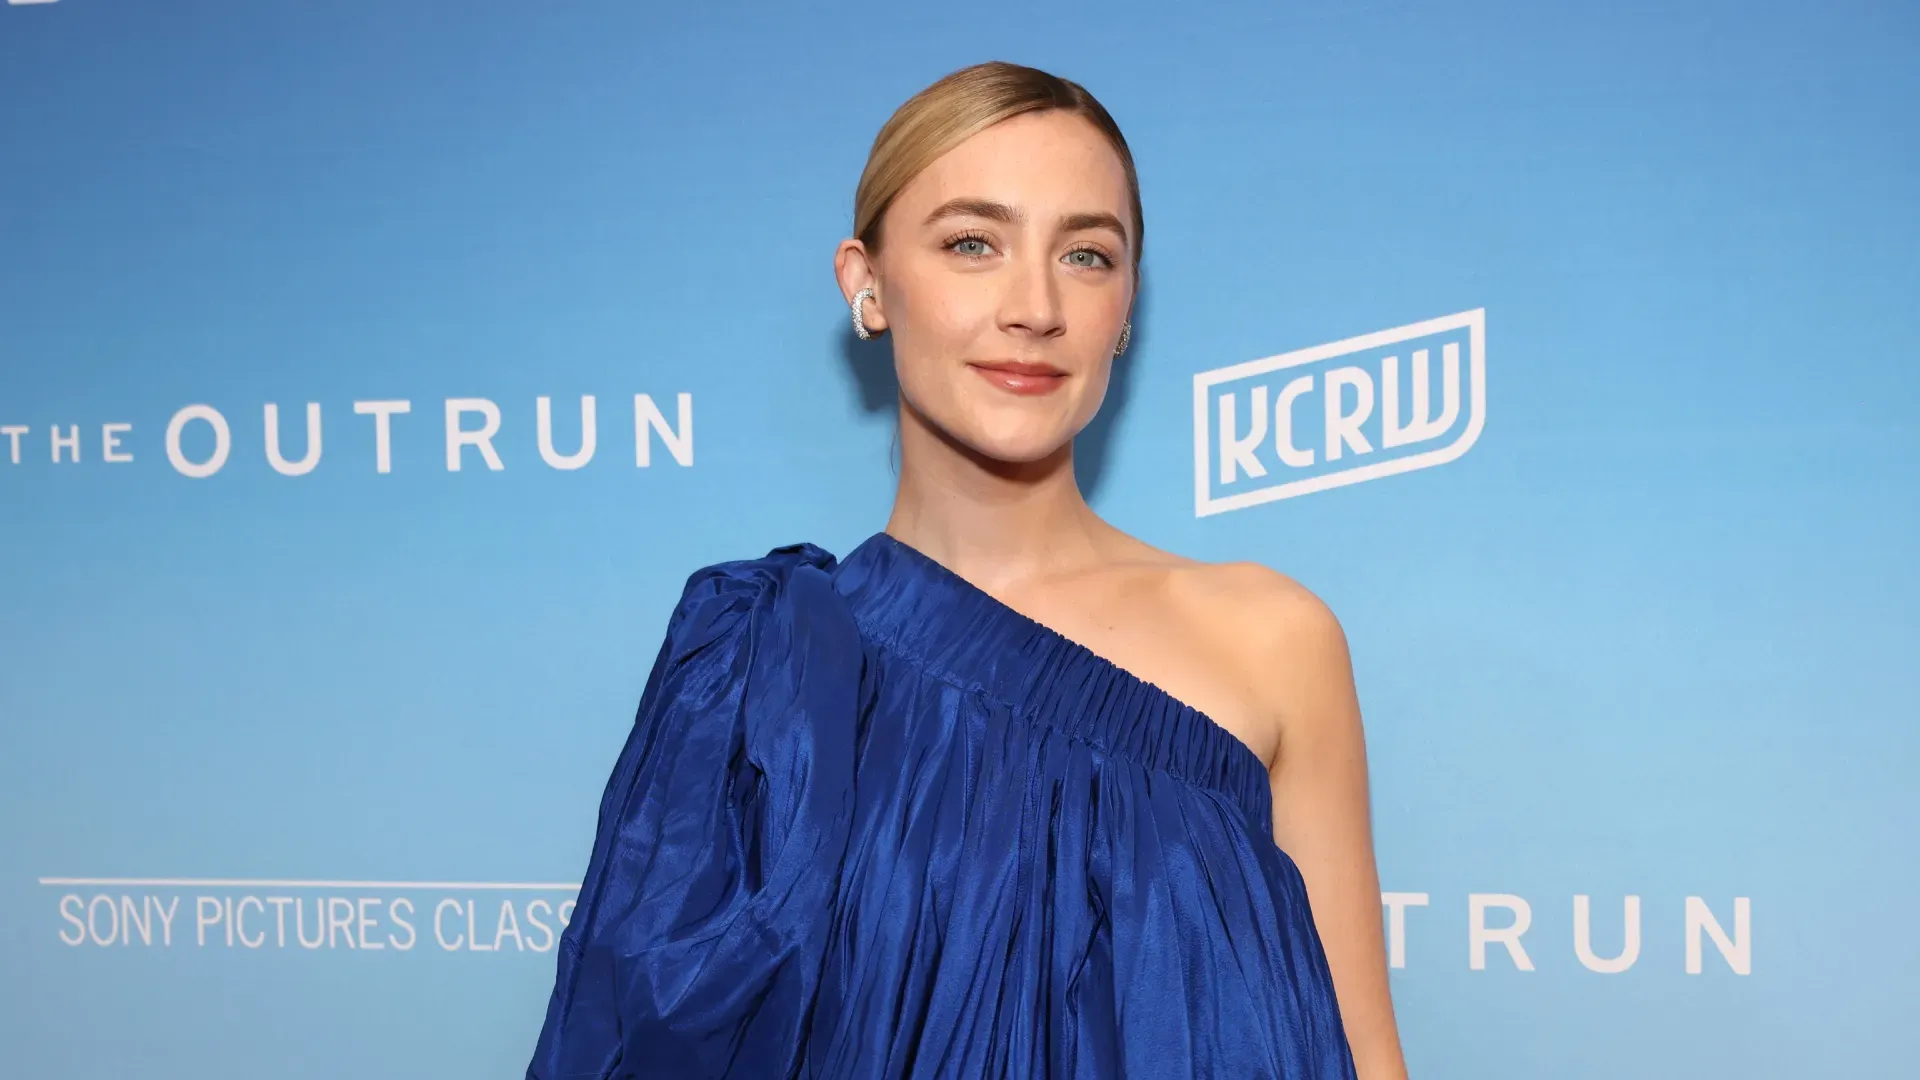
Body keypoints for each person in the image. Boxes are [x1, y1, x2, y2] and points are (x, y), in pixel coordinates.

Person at [527, 60, 1409, 1080]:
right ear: (867, 284)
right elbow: (639, 1048)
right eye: (973, 244)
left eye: (1086, 255)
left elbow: (1364, 1054)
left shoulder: (1273, 638)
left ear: (1127, 308)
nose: (1035, 305)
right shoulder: (758, 664)